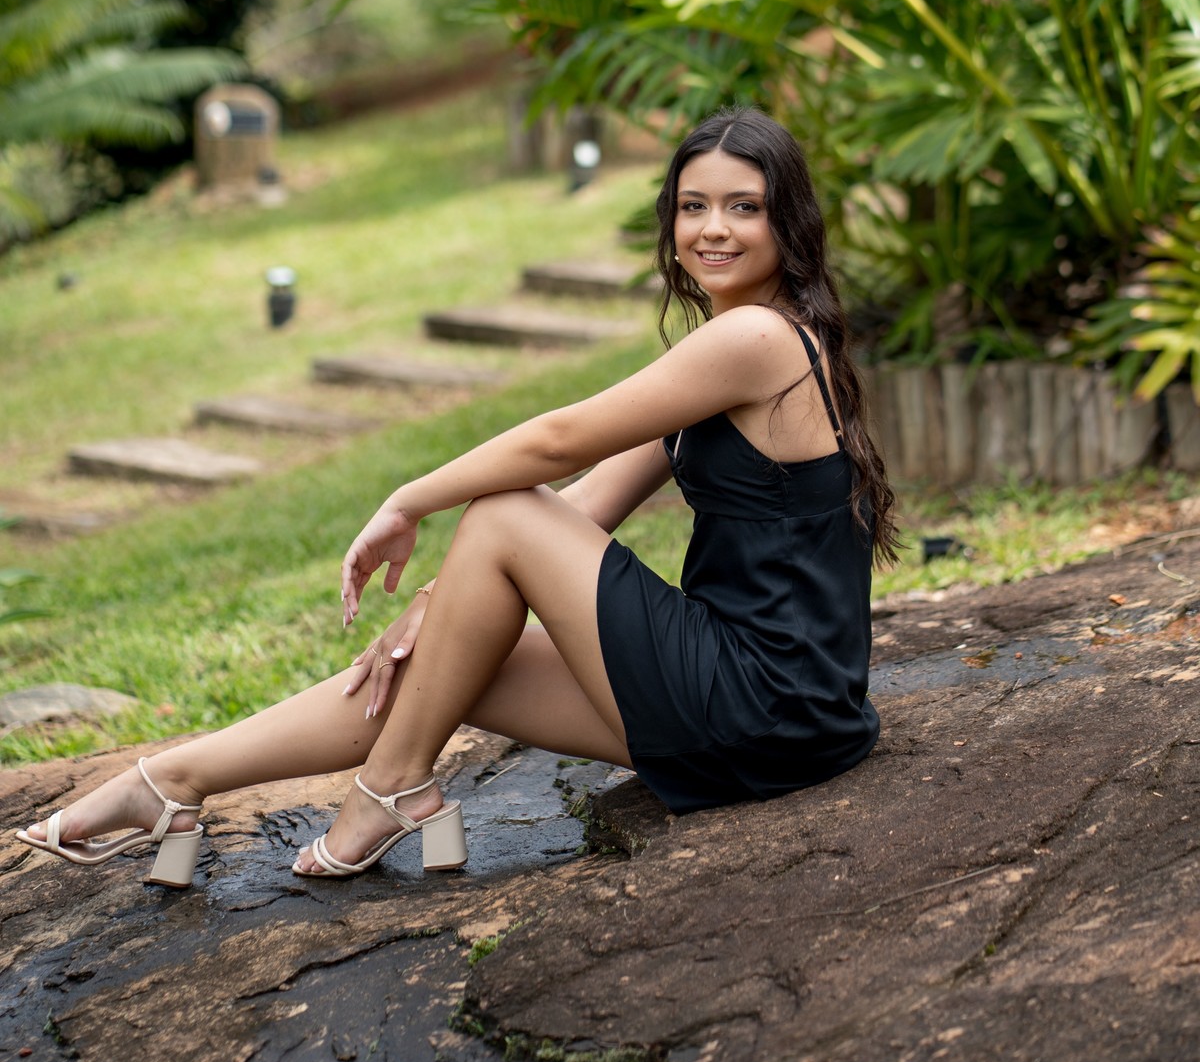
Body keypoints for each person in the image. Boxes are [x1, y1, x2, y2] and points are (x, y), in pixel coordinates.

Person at [17, 107, 897, 886]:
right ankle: (172, 781)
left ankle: (389, 787)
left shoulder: (755, 341)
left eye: (744, 207)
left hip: (762, 702)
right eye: (692, 206)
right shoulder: (742, 343)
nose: (713, 229)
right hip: (777, 715)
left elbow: (556, 445)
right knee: (440, 661)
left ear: (788, 221)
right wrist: (444, 603)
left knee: (505, 508)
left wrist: (409, 498)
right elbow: (589, 499)